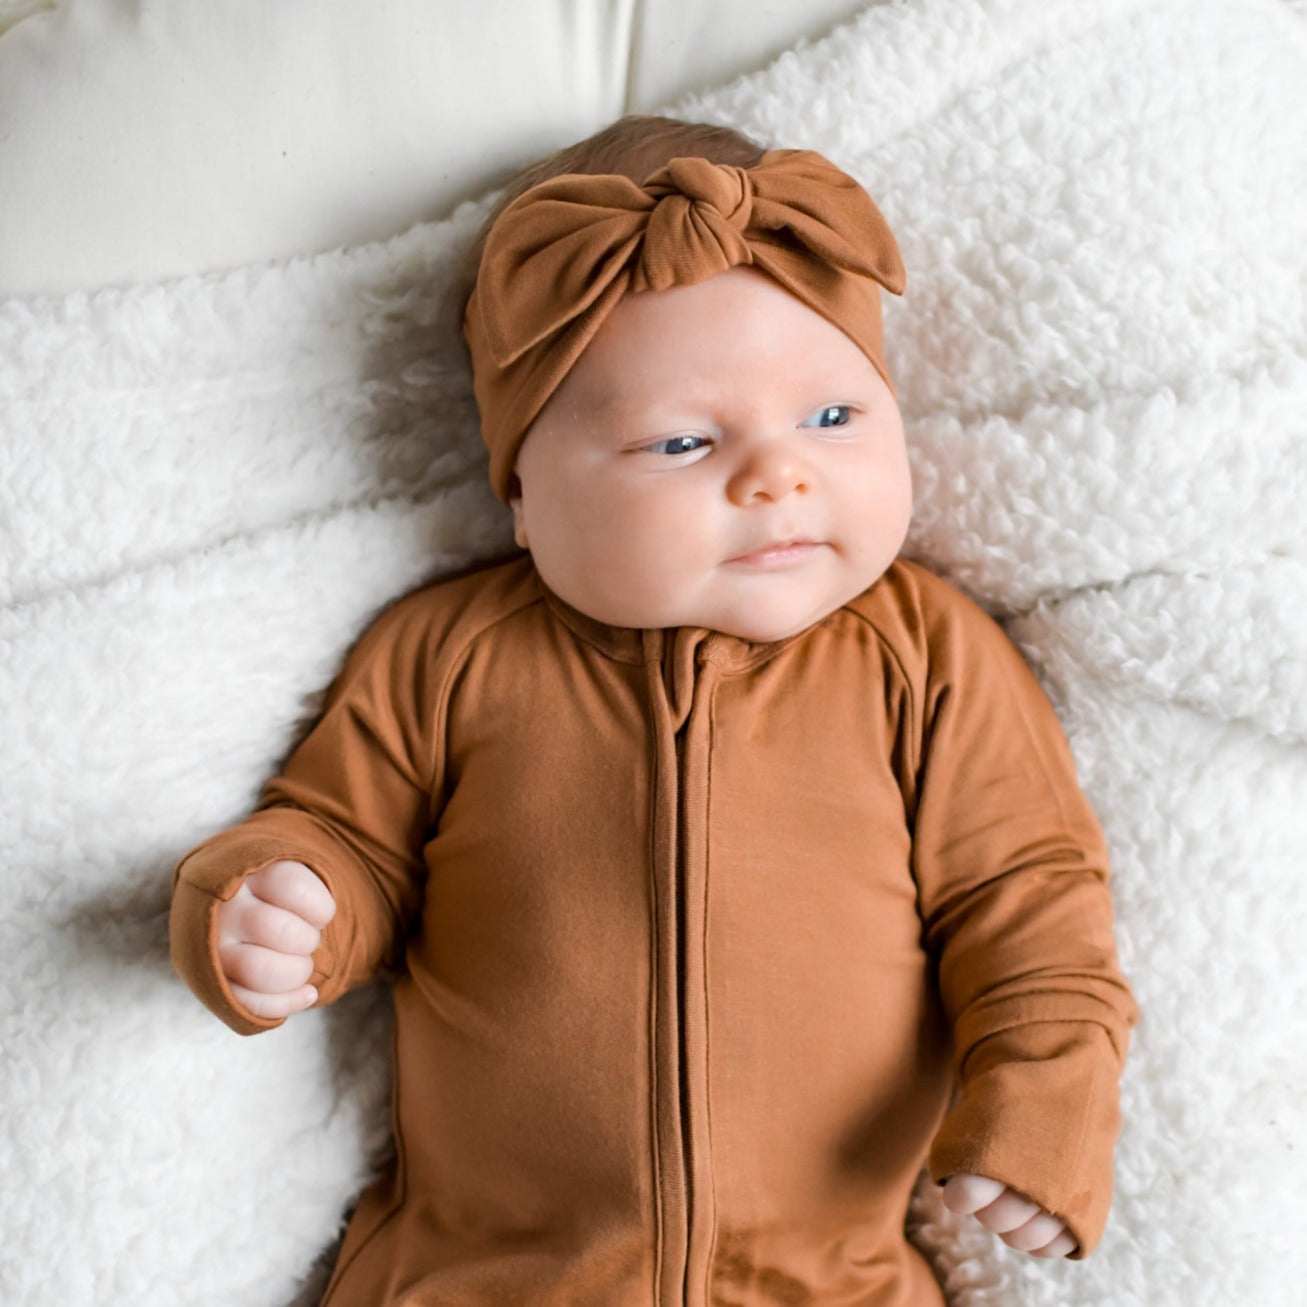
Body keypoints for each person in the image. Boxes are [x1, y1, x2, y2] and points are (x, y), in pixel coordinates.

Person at [170, 115, 1138, 1307]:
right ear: (524, 494)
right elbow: (344, 841)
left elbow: (1026, 898)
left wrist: (1046, 1099)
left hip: (831, 1280)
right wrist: (274, 902)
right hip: (479, 1274)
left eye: (831, 417)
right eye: (681, 440)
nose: (777, 474)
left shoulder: (924, 656)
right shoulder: (447, 655)